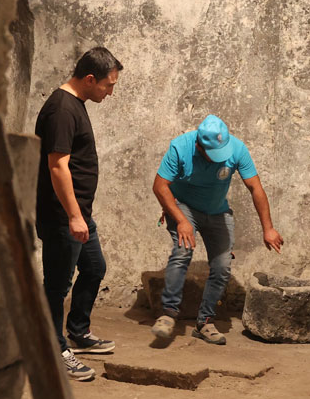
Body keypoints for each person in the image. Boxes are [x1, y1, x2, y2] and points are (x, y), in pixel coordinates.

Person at [150, 114, 284, 345]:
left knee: (222, 266)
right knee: (182, 252)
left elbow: (255, 188)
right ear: (198, 146)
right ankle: (169, 313)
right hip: (184, 208)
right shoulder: (180, 147)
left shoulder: (237, 149)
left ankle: (204, 322)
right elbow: (160, 186)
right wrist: (181, 220)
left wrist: (268, 228)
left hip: (217, 211)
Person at [34, 47, 123, 381]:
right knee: (57, 286)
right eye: (108, 85)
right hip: (63, 217)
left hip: (78, 214)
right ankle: (53, 348)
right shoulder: (61, 109)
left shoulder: (76, 104)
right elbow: (57, 166)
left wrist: (80, 214)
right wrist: (73, 215)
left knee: (94, 268)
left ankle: (78, 332)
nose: (110, 92)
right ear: (90, 79)